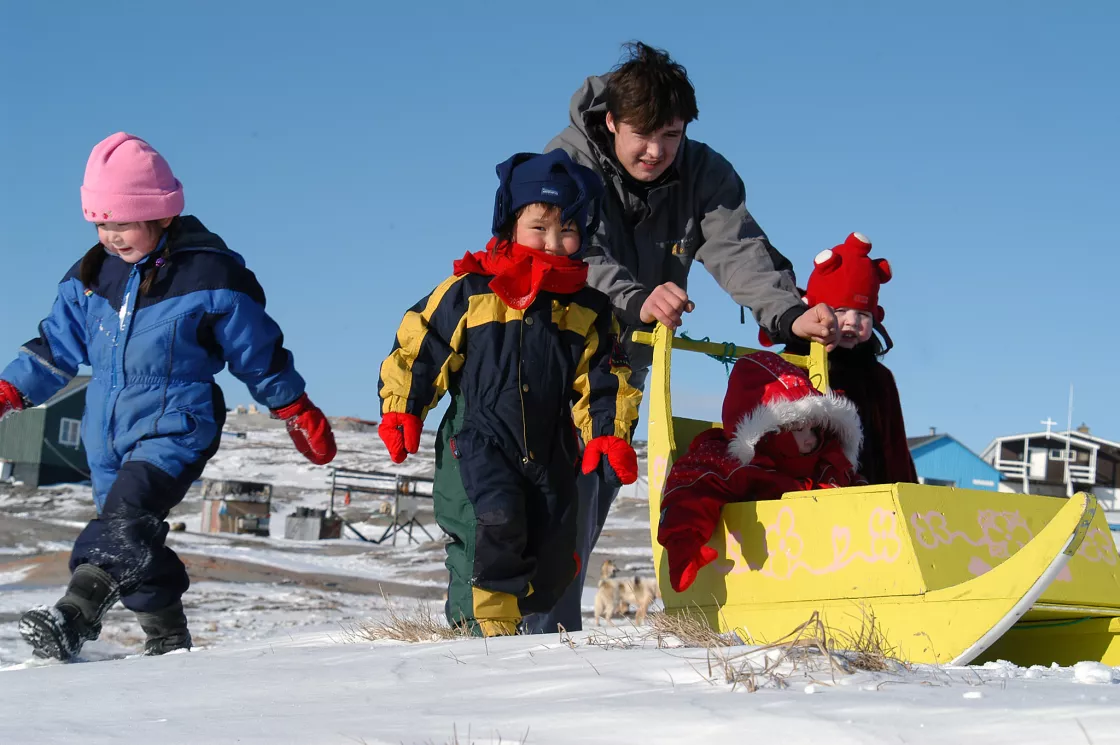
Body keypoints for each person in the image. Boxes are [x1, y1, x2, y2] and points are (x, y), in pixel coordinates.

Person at [529, 41, 840, 631]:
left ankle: (548, 643)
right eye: (643, 135)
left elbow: (739, 249)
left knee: (589, 496)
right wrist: (634, 295)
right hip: (550, 348)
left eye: (670, 135)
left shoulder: (703, 172)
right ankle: (503, 638)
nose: (656, 151)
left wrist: (788, 314)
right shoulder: (566, 163)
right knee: (535, 495)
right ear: (611, 122)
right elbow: (572, 250)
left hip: (619, 365)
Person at [0, 132, 337, 660]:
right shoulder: (90, 278)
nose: (111, 235)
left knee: (122, 524)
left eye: (123, 221)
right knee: (128, 534)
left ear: (159, 212)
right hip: (106, 435)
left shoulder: (210, 274)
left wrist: (293, 406)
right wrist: (9, 390)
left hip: (176, 424)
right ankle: (168, 639)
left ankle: (73, 617)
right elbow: (55, 348)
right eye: (101, 222)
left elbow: (257, 350)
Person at [377, 150, 642, 636]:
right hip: (479, 442)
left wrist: (608, 434)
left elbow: (606, 376)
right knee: (490, 528)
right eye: (539, 227)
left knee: (557, 554)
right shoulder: (473, 290)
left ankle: (515, 634)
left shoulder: (588, 309)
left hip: (552, 446)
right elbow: (421, 344)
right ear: (510, 225)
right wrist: (404, 408)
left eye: (567, 230)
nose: (554, 241)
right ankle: (481, 641)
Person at [657, 351, 865, 592]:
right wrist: (684, 543)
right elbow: (693, 488)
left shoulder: (825, 463)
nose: (811, 440)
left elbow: (852, 486)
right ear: (768, 431)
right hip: (770, 571)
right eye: (799, 429)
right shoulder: (735, 463)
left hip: (832, 565)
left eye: (814, 429)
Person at [767, 232, 917, 484]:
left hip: (872, 491)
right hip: (806, 488)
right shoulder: (793, 365)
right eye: (840, 311)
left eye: (863, 314)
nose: (851, 321)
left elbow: (895, 447)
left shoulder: (879, 377)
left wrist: (907, 490)